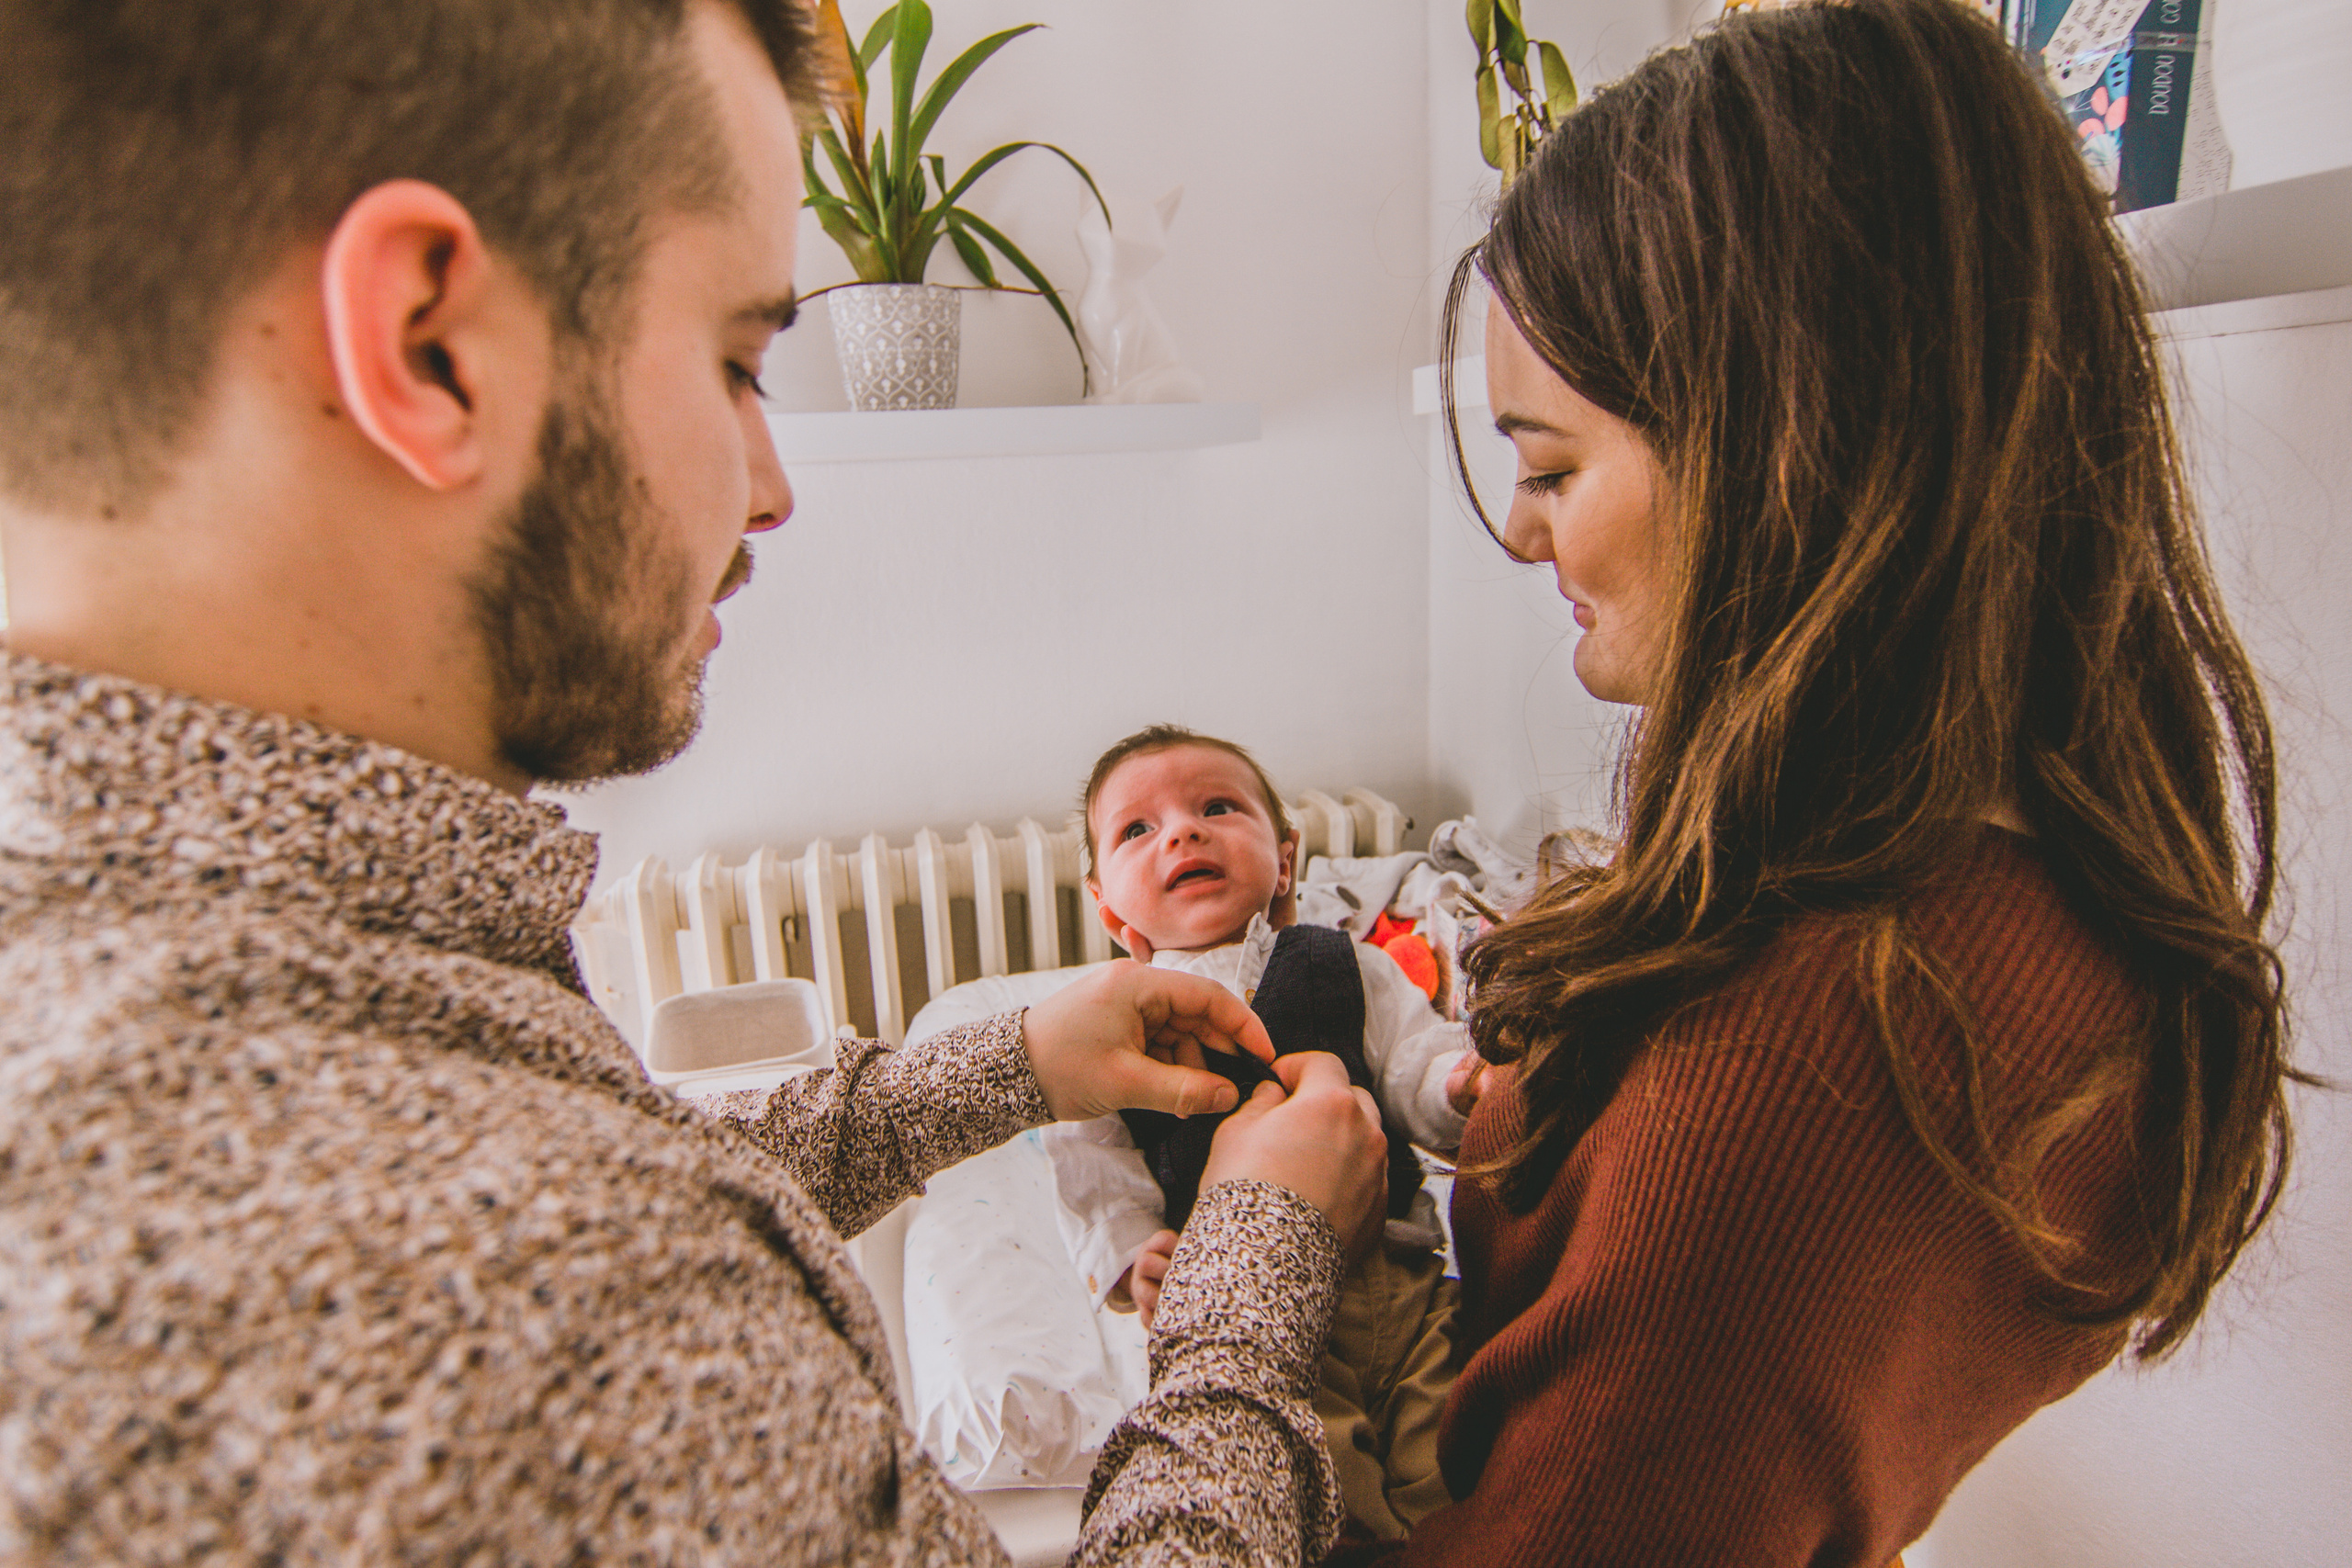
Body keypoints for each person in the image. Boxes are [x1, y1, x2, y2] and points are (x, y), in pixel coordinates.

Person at [0, 3, 1386, 1563]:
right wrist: (1251, 1285)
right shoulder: (551, 1308)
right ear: (427, 344)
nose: (775, 482)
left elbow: (611, 1168)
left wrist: (1005, 1065)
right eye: (738, 361)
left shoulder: (177, 971)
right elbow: (563, 1251)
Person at [1314, 0, 2297, 1561]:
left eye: (1555, 463)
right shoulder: (2006, 901)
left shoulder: (1796, 1079)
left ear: (1783, 440)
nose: (1518, 530)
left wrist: (1252, 1259)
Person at [1046, 724, 1488, 1540]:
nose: (1182, 830)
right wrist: (1133, 1256)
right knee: (1327, 1503)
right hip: (1255, 1322)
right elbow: (1093, 1163)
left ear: (1284, 862)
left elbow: (1414, 1066)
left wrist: (1461, 1086)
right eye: (1137, 829)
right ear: (1108, 904)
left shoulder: (1346, 961)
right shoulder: (1111, 1017)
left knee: (1459, 1474)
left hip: (1406, 1280)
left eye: (1217, 806)